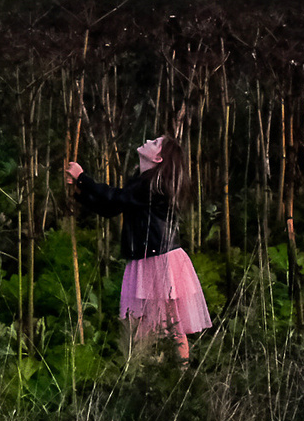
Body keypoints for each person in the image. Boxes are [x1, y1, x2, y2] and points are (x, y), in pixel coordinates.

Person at [65, 133, 213, 360]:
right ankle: (146, 372)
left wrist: (83, 178)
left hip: (161, 260)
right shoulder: (141, 182)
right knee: (143, 324)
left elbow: (116, 197)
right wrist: (81, 193)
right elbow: (112, 208)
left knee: (173, 323)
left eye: (155, 143)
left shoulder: (154, 186)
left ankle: (180, 373)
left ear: (158, 158)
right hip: (147, 258)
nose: (148, 140)